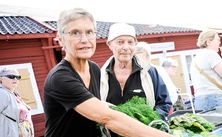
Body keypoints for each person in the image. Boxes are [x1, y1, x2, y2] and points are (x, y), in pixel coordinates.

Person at [43, 8, 173, 137]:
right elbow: (107, 117)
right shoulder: (60, 78)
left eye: (89, 32)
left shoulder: (93, 69)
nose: (84, 39)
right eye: (75, 33)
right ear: (60, 40)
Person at [100, 23, 172, 119]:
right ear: (110, 45)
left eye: (130, 42)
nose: (126, 47)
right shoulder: (100, 76)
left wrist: (151, 120)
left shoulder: (149, 71)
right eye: (120, 42)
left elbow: (164, 102)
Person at [189, 29, 222, 111]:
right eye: (217, 40)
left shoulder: (196, 57)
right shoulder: (211, 54)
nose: (219, 42)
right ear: (208, 42)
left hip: (199, 99)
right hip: (214, 97)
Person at [0, 67, 34, 137]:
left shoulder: (14, 94)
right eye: (11, 76)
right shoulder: (0, 93)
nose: (15, 79)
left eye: (18, 77)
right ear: (1, 78)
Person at [134, 42, 179, 112]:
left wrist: (162, 112)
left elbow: (171, 94)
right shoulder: (137, 73)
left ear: (143, 54)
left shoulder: (157, 70)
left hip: (162, 112)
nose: (132, 57)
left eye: (135, 54)